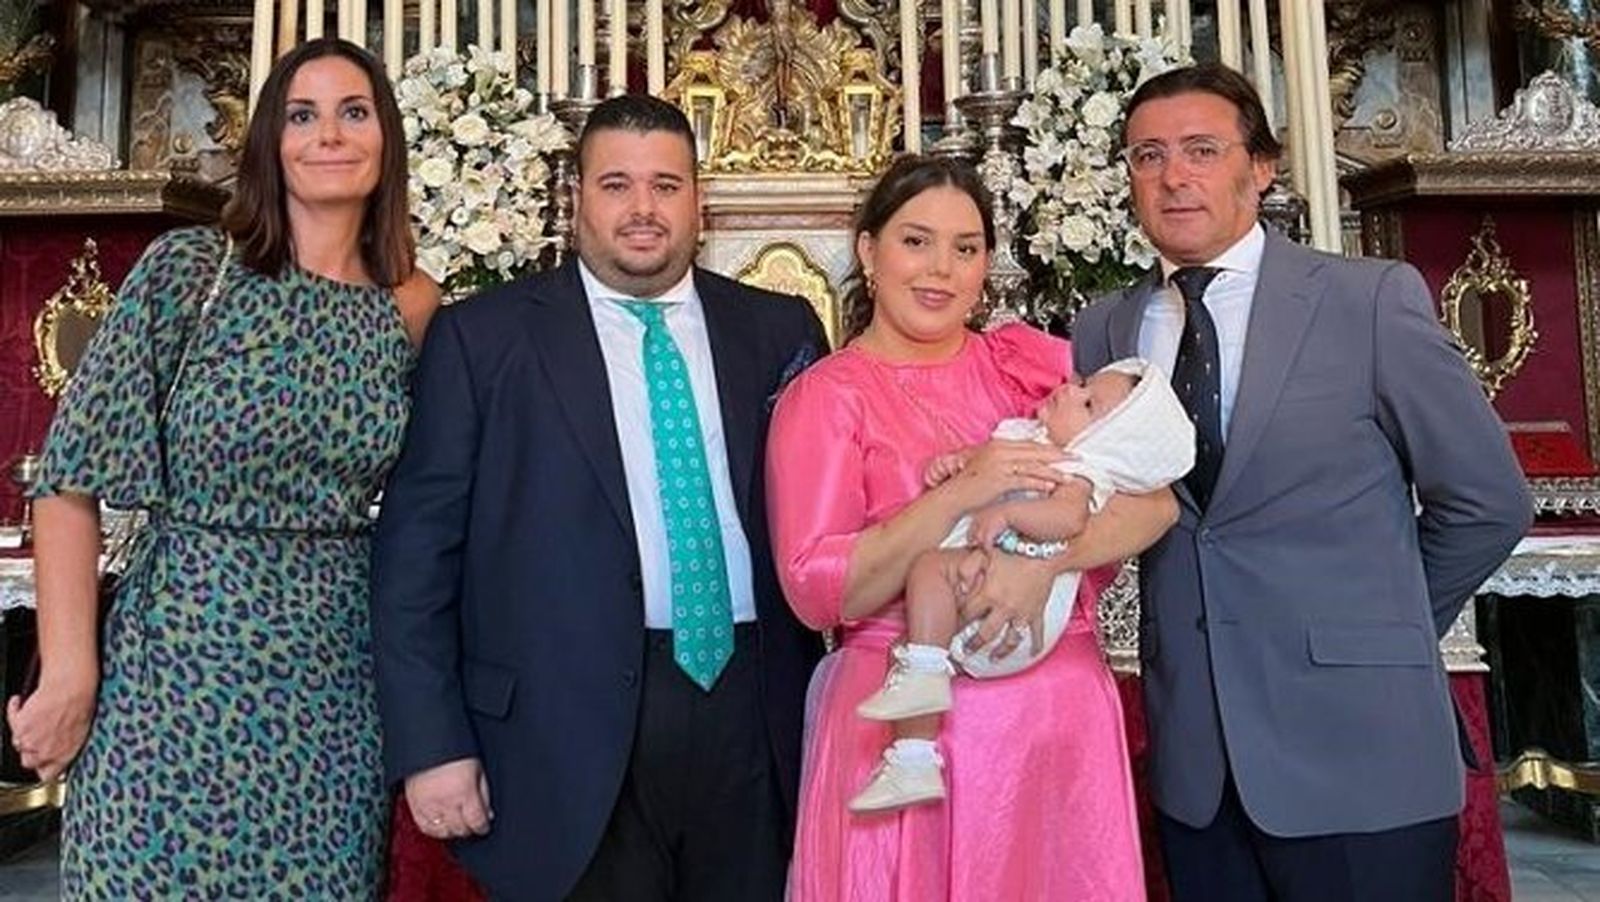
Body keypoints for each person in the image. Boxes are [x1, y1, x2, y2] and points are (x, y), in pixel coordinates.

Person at [1071, 63, 1534, 901]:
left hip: (1359, 749)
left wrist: (1377, 627)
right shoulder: (1104, 327)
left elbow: (1487, 500)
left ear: (1262, 166)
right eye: (1148, 156)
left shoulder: (1368, 301)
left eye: (1202, 150)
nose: (1174, 175)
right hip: (1199, 764)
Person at [6, 37, 440, 898]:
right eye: (302, 114)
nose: (329, 135)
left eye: (353, 113)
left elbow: (439, 513)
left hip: (332, 687)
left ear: (385, 138)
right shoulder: (193, 271)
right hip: (170, 668)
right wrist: (70, 674)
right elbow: (68, 479)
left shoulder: (414, 305)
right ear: (269, 140)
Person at [369, 93, 828, 901]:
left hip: (756, 712)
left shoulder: (780, 329)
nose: (643, 209)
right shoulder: (486, 339)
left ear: (699, 201)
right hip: (564, 724)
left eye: (666, 185)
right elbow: (415, 554)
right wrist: (432, 743)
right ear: (577, 197)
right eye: (616, 185)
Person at [767, 154, 1179, 901]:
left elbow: (1156, 502)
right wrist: (970, 488)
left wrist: (1044, 564)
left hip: (1056, 720)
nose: (941, 270)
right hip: (907, 724)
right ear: (869, 250)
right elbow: (819, 594)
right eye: (915, 241)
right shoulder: (825, 400)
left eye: (966, 248)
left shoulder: (1028, 367)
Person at [850, 358, 1193, 813]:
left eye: (1088, 403)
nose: (1070, 389)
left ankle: (924, 687)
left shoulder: (1081, 470)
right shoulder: (1030, 438)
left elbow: (1068, 519)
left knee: (930, 576)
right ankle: (914, 759)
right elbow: (987, 459)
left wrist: (1011, 515)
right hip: (983, 570)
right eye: (1082, 383)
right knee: (925, 595)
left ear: (1106, 441)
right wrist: (959, 462)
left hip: (1024, 611)